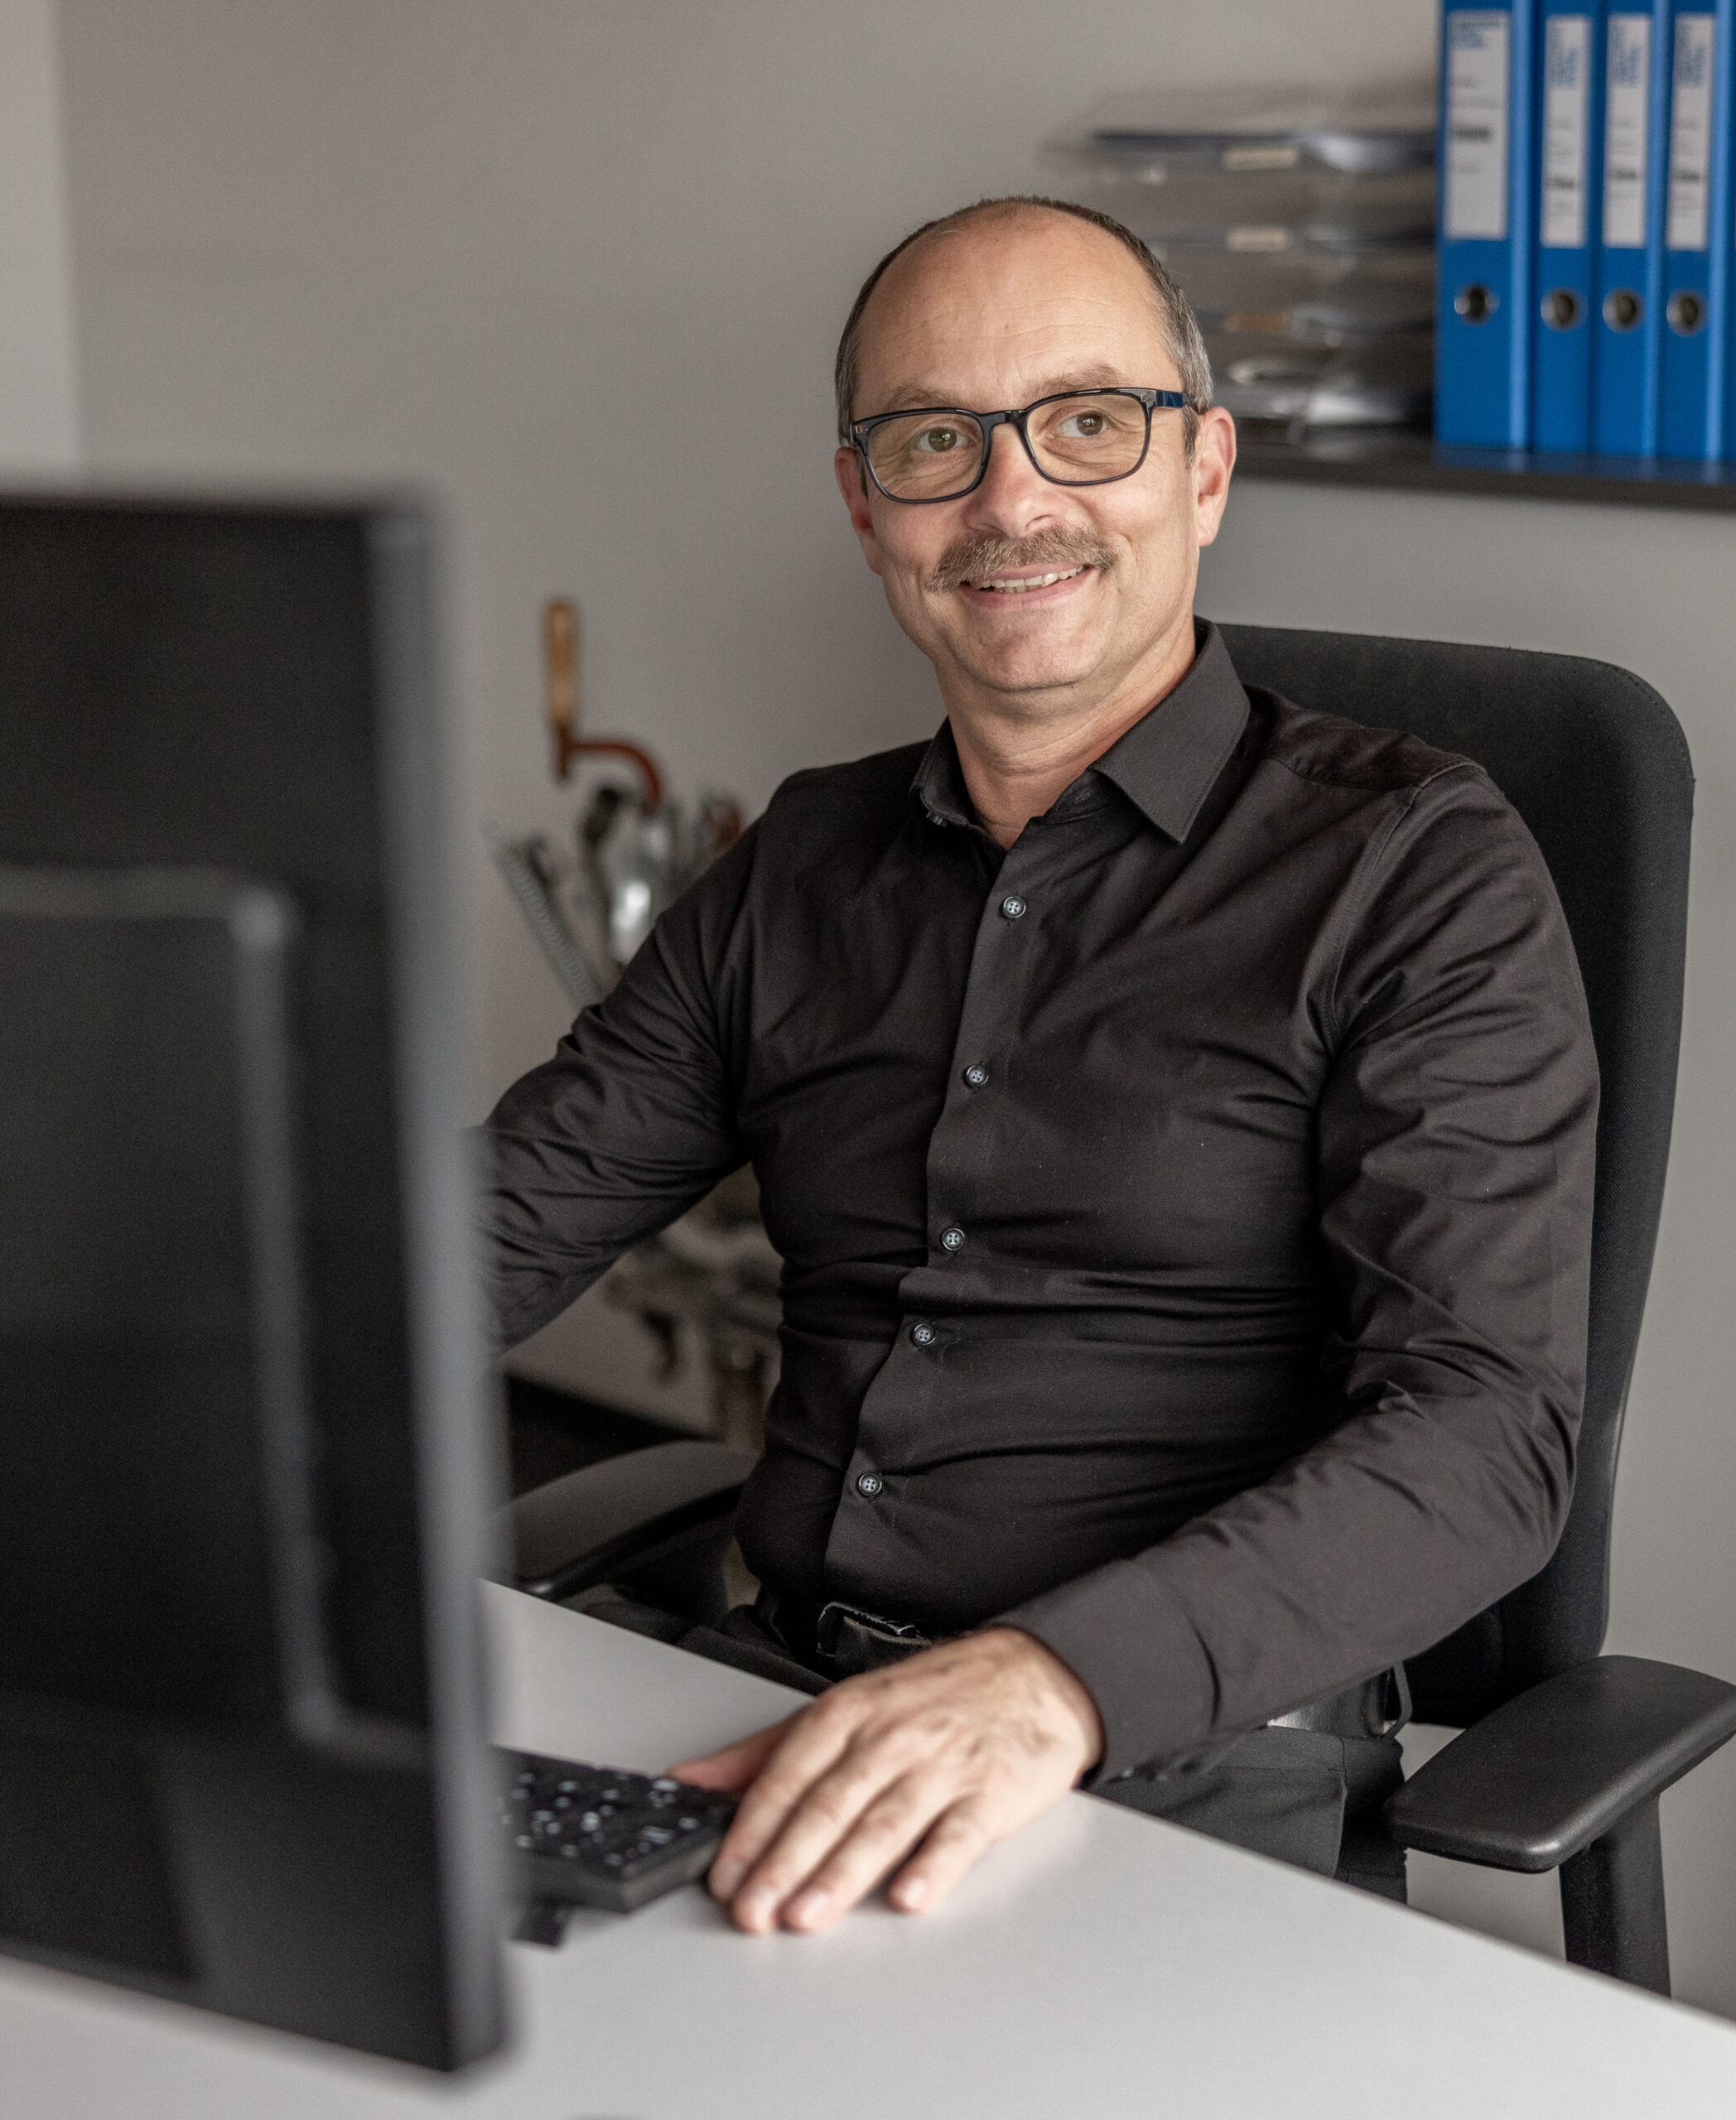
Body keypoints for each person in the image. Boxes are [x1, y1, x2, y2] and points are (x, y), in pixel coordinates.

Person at [482, 195, 1598, 1939]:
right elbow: (489, 1227)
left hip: (1173, 1759)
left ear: (1203, 469)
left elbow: (1485, 1436)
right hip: (784, 1703)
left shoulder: (1413, 868)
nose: (1012, 501)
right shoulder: (802, 865)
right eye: (936, 440)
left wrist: (1052, 1682)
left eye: (1086, 421)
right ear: (865, 507)